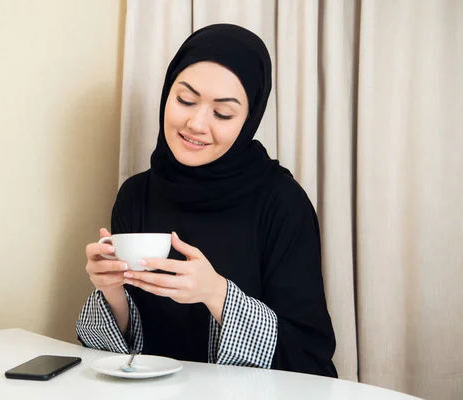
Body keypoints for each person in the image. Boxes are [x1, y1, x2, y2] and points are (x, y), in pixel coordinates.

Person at [76, 23, 337, 377]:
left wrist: (216, 294)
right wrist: (111, 291)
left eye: (223, 113)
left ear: (249, 120)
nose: (197, 123)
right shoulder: (136, 195)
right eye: (185, 100)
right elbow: (123, 356)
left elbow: (307, 355)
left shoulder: (282, 202)